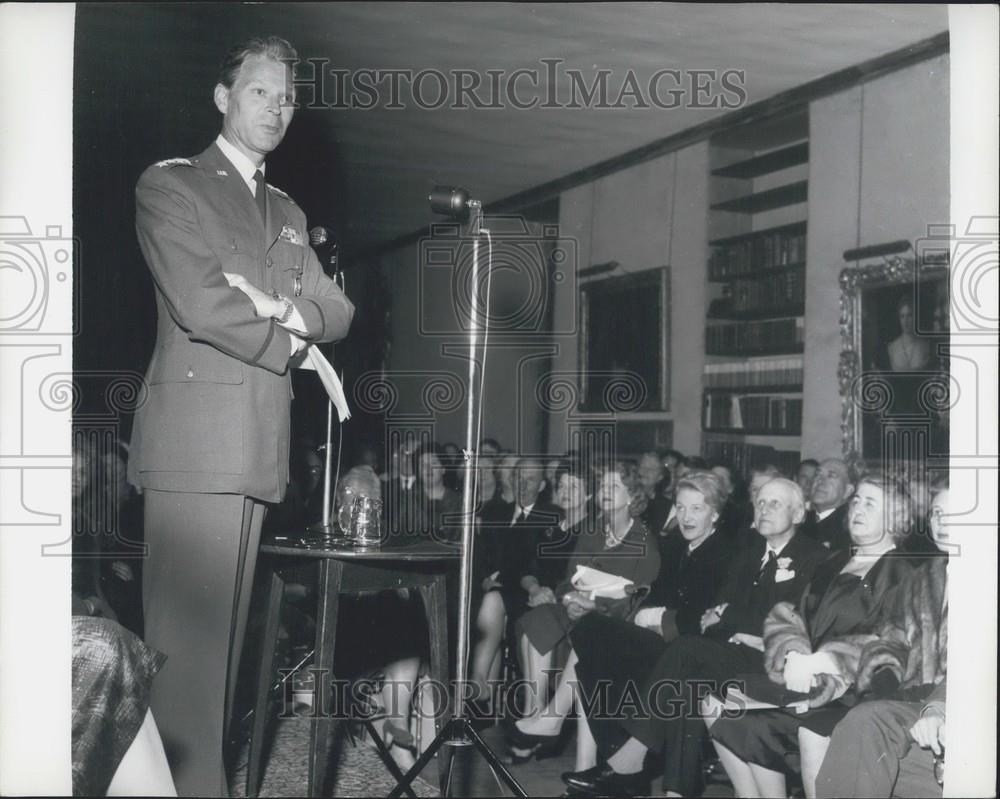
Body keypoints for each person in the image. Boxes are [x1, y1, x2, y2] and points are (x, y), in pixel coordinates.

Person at [126, 36, 355, 795]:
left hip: (256, 446)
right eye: (261, 91)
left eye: (287, 97)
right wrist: (291, 345)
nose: (278, 107)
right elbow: (200, 303)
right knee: (184, 663)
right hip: (196, 447)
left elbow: (339, 307)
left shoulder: (287, 211)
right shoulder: (174, 187)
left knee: (219, 664)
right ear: (224, 99)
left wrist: (287, 308)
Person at [563, 478, 828, 798]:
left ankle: (632, 753)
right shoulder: (751, 549)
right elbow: (712, 614)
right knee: (685, 683)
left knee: (686, 652)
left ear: (798, 514)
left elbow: (785, 619)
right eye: (760, 502)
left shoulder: (814, 557)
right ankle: (676, 792)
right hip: (730, 649)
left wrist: (729, 617)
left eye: (775, 504)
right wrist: (730, 622)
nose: (764, 509)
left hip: (772, 661)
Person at [710, 471, 918, 798]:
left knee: (810, 730)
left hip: (860, 690)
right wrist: (793, 653)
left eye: (871, 504)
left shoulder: (904, 571)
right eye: (857, 501)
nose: (858, 510)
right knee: (724, 701)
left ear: (896, 517)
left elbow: (894, 642)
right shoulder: (835, 560)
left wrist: (824, 662)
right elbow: (789, 613)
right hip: (806, 678)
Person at [520, 471, 735, 773]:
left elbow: (698, 617)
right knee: (590, 638)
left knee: (594, 636)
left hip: (685, 653)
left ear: (715, 513)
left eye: (697, 509)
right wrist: (646, 613)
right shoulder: (676, 545)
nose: (686, 517)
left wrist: (654, 616)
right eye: (682, 508)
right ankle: (588, 760)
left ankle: (561, 723)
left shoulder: (723, 553)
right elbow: (651, 594)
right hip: (657, 637)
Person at [815, 480, 950, 799]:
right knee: (855, 729)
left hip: (960, 705)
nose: (943, 522)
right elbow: (890, 642)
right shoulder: (928, 576)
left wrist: (939, 707)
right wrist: (843, 671)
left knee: (865, 723)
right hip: (915, 698)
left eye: (956, 514)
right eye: (937, 513)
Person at [509, 459, 659, 741]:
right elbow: (568, 579)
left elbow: (638, 599)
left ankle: (553, 718)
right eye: (603, 485)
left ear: (632, 496)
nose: (605, 491)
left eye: (614, 486)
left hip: (615, 620)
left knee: (590, 630)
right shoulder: (594, 531)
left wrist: (593, 605)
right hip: (578, 608)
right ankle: (534, 712)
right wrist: (569, 598)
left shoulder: (644, 541)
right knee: (538, 618)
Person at [468, 457, 559, 702]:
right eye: (519, 477)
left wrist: (502, 577)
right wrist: (484, 578)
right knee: (489, 600)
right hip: (493, 589)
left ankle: (481, 684)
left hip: (528, 590)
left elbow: (539, 564)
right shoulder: (494, 512)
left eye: (531, 480)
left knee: (494, 602)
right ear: (511, 479)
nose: (523, 484)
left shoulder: (551, 517)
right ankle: (479, 682)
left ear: (542, 486)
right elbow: (480, 554)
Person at [800, 458, 855, 551]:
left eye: (831, 476)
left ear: (847, 491)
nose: (820, 481)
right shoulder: (801, 521)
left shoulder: (850, 529)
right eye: (817, 475)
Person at [887, 296, 931, 372]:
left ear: (915, 317)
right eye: (902, 316)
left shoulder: (925, 345)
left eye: (909, 315)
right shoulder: (892, 347)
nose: (905, 321)